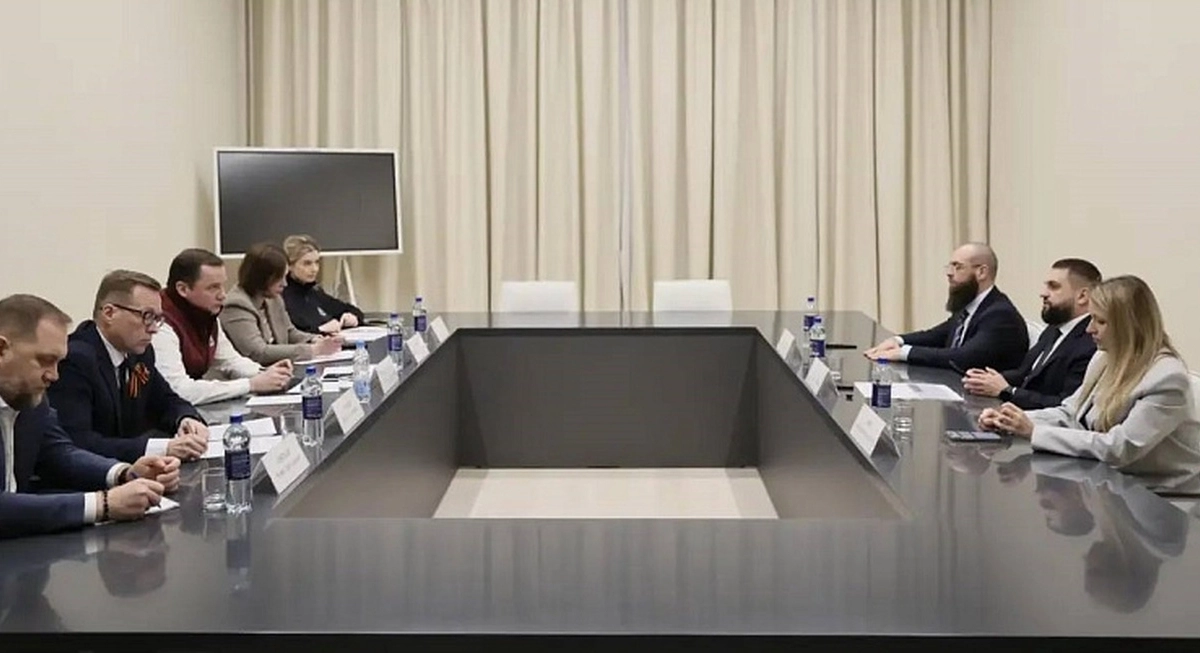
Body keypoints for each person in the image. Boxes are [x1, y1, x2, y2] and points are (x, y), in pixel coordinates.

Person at [979, 275, 1200, 477]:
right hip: (1110, 479)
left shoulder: (1167, 378)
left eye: (1100, 321)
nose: (1089, 329)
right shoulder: (1104, 358)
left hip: (1162, 495)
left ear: (1129, 326)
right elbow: (1071, 413)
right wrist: (1010, 420)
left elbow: (1120, 448)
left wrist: (1034, 431)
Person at [0, 294, 180, 540]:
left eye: (58, 363)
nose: (54, 376)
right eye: (45, 361)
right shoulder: (26, 389)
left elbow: (58, 452)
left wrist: (125, 474)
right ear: (2, 349)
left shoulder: (30, 396)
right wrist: (102, 504)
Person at [48, 271, 209, 464]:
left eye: (158, 318)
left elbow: (166, 400)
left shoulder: (139, 352)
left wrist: (186, 419)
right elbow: (79, 442)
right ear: (109, 313)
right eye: (147, 316)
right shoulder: (75, 360)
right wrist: (163, 448)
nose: (154, 328)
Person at [153, 248, 293, 405]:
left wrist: (267, 373)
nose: (223, 295)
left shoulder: (206, 314)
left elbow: (229, 361)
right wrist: (250, 384)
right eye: (213, 287)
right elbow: (178, 390)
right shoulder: (160, 323)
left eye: (222, 286)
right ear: (183, 289)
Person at [963, 258, 1102, 409]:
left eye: (1054, 287)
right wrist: (985, 379)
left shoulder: (1092, 341)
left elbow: (1066, 406)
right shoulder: (1055, 329)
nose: (1043, 294)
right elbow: (1025, 374)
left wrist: (1008, 391)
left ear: (1082, 296)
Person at [865, 243, 1028, 370]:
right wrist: (898, 341)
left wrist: (903, 353)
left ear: (981, 272)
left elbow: (964, 357)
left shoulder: (1000, 315)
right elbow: (937, 336)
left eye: (958, 267)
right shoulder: (969, 307)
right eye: (950, 266)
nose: (949, 273)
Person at [220, 242, 343, 365]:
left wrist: (315, 340)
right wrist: (312, 350)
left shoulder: (273, 297)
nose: (285, 284)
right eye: (279, 278)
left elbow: (290, 332)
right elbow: (258, 352)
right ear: (262, 278)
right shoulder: (236, 305)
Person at [281, 235, 365, 335]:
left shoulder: (313, 291)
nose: (314, 269)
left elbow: (349, 310)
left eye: (317, 262)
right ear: (290, 265)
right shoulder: (282, 295)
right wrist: (320, 330)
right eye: (307, 263)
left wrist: (351, 317)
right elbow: (290, 334)